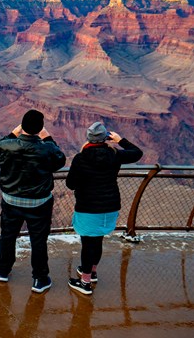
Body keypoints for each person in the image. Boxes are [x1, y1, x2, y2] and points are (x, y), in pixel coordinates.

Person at [0, 109, 66, 293]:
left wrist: (13, 133)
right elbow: (60, 160)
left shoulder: (8, 146)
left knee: (8, 235)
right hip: (39, 203)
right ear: (40, 129)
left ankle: (3, 270)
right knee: (38, 240)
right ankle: (40, 278)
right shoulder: (47, 148)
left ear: (22, 126)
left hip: (11, 201)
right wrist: (48, 138)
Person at [65, 122, 143, 295]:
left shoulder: (81, 158)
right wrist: (120, 140)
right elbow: (137, 153)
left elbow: (70, 184)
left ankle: (84, 283)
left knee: (87, 244)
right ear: (105, 138)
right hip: (109, 206)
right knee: (98, 240)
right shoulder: (114, 154)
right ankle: (92, 272)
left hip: (88, 207)